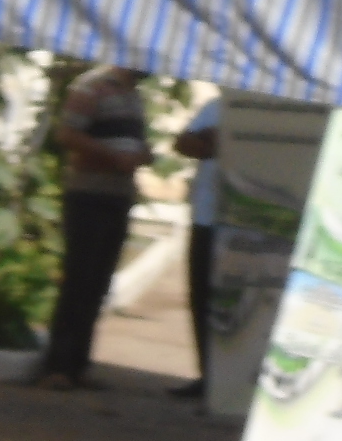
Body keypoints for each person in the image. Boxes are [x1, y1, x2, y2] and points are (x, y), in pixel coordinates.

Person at [39, 62, 151, 390]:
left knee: (99, 284)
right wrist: (112, 158)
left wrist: (142, 154)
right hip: (88, 193)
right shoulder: (91, 86)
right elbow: (67, 134)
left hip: (119, 195)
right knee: (79, 279)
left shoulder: (133, 95)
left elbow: (131, 142)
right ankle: (58, 366)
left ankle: (79, 365)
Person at [168, 92, 222, 402]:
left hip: (249, 223)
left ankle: (233, 379)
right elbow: (182, 143)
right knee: (201, 296)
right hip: (206, 216)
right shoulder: (216, 107)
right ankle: (207, 376)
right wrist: (209, 143)